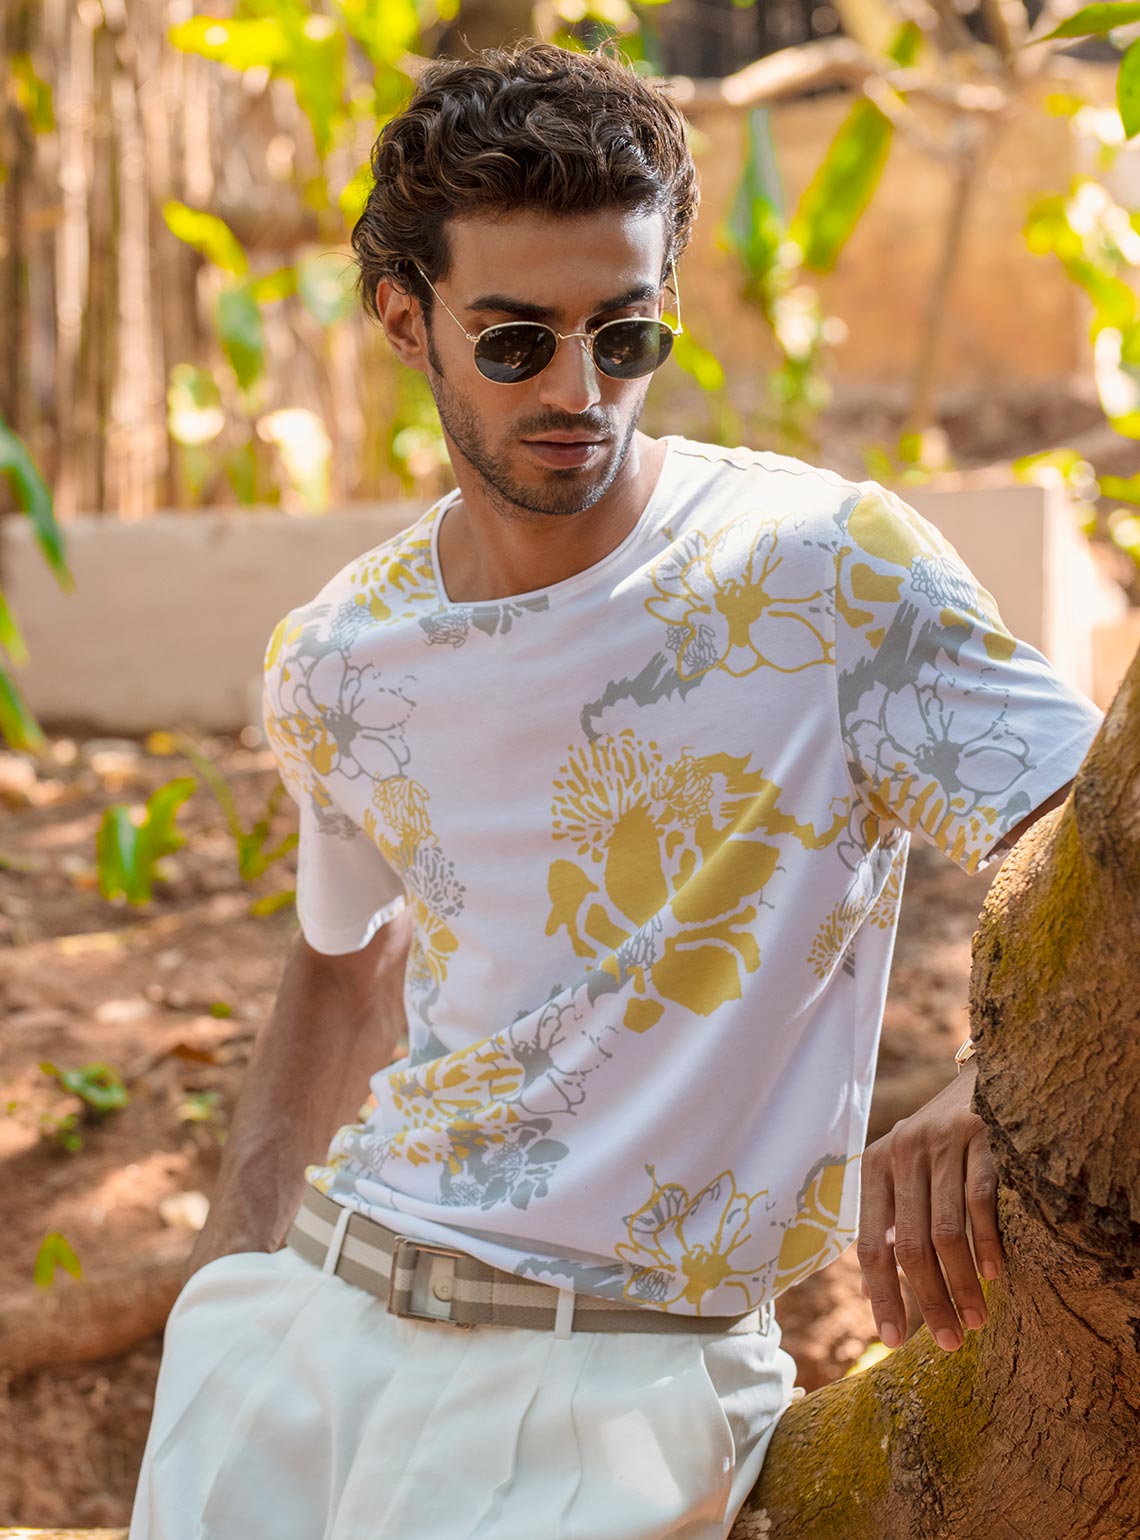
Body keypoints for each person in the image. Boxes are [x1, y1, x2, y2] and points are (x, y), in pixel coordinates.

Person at [128, 40, 1103, 1540]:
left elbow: (1099, 837)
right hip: (303, 1344)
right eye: (517, 341)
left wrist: (998, 1077)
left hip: (619, 1386)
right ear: (406, 318)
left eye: (625, 334)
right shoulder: (341, 657)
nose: (580, 390)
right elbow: (341, 966)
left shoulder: (821, 574)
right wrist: (225, 1287)